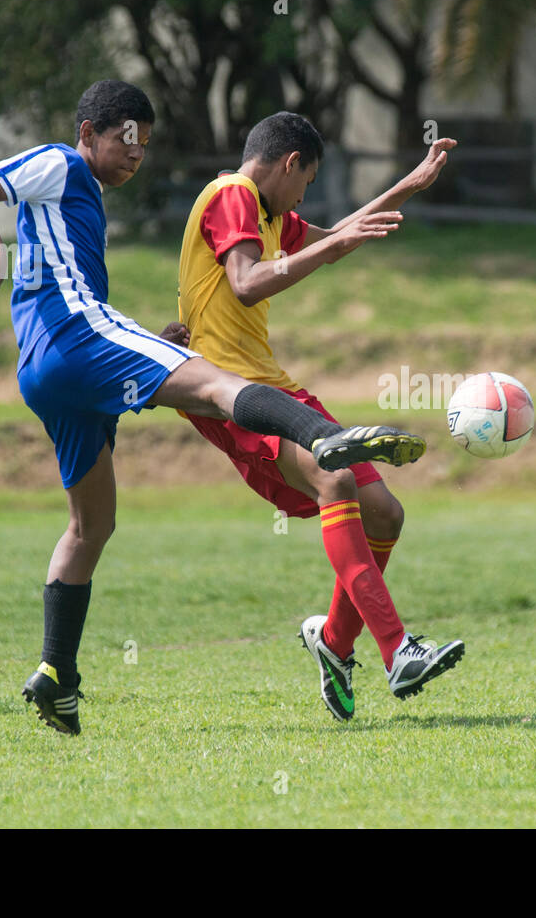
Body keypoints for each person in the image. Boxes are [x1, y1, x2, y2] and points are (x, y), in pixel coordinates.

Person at [0, 81, 426, 735]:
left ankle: (56, 674)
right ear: (87, 132)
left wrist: (407, 185)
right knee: (214, 385)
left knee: (92, 526)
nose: (135, 155)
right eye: (124, 140)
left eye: (143, 145)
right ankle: (324, 437)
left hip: (55, 369)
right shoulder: (62, 161)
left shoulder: (84, 197)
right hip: (80, 338)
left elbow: (335, 233)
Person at [174, 110, 463, 721]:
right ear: (288, 164)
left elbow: (339, 234)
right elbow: (248, 283)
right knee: (335, 479)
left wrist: (409, 185)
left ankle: (333, 643)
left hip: (275, 387)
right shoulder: (233, 194)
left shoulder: (269, 215)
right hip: (229, 393)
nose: (305, 194)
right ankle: (398, 651)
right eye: (307, 181)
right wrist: (332, 247)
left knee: (385, 510)